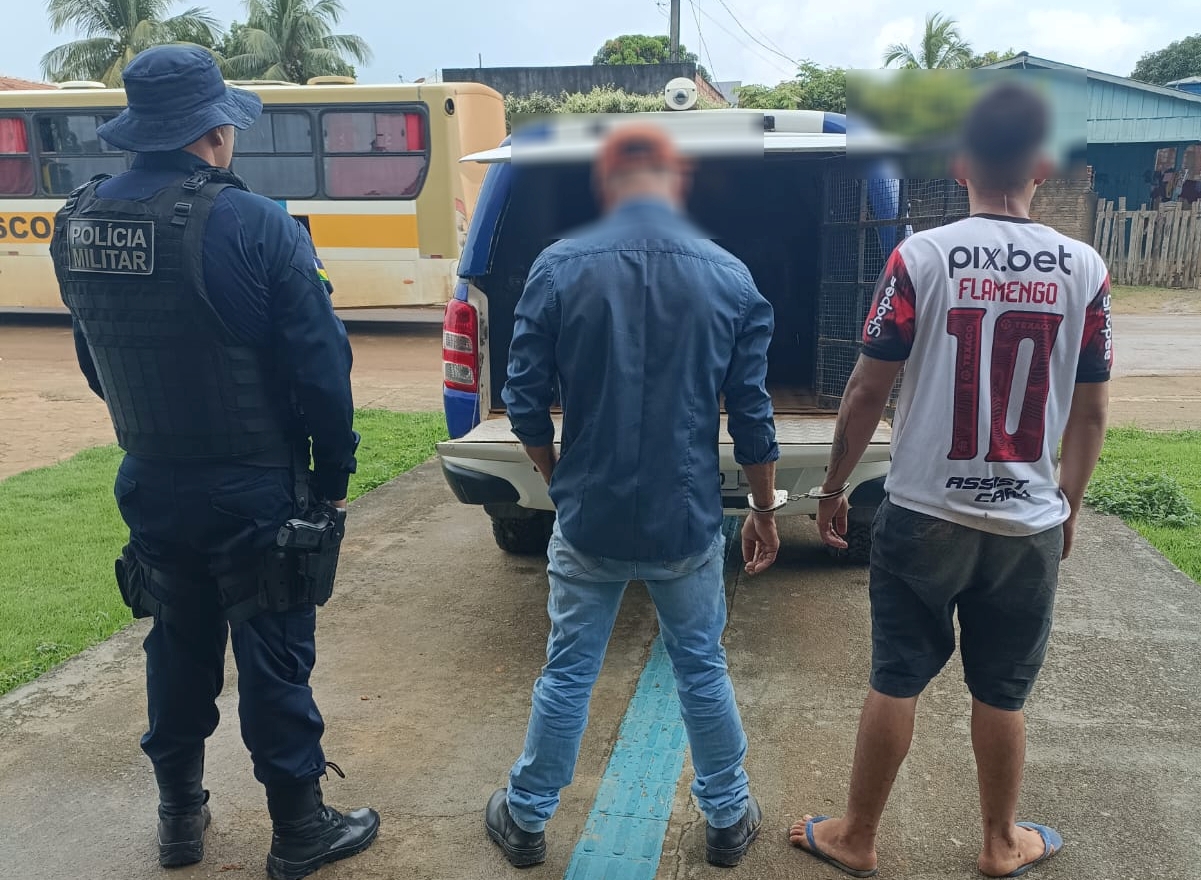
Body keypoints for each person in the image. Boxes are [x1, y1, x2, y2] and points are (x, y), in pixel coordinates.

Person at [50, 45, 379, 880]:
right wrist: (331, 483)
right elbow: (322, 371)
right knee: (273, 655)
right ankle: (299, 833)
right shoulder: (257, 223)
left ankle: (179, 822)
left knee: (176, 643)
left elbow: (96, 358)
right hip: (253, 484)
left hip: (150, 476)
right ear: (215, 132)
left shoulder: (77, 218)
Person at [789, 82, 1113, 878]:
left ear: (960, 164)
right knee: (1001, 690)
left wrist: (832, 487)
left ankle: (856, 837)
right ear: (1042, 166)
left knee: (895, 675)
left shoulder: (919, 257)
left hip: (924, 510)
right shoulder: (1085, 268)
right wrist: (1067, 506)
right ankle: (1000, 842)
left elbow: (865, 389)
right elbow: (1090, 411)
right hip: (1025, 521)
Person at [485, 121, 782, 869]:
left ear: (607, 182)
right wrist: (762, 509)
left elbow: (523, 399)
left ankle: (526, 818)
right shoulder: (730, 276)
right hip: (687, 518)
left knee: (568, 671)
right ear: (676, 182)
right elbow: (751, 416)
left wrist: (557, 476)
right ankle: (727, 818)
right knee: (700, 666)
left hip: (590, 514)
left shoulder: (558, 267)